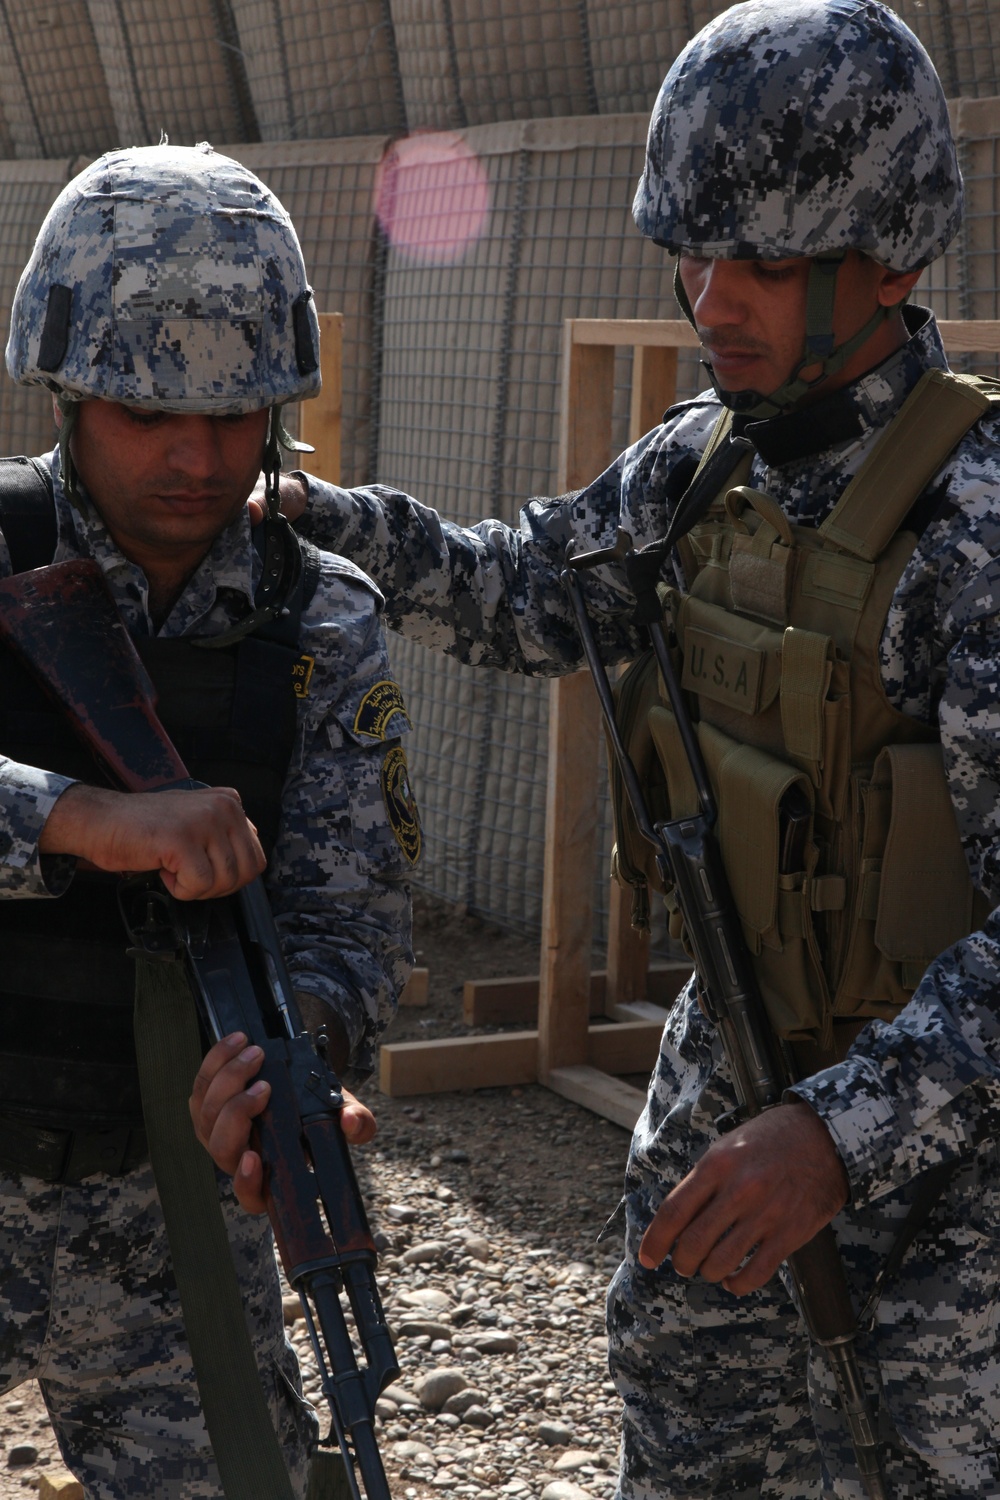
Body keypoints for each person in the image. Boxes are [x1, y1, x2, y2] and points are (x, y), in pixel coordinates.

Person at [196, 1, 1000, 1495]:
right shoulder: (707, 460)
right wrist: (316, 520)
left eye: (758, 261)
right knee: (689, 1430)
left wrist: (838, 1136)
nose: (708, 298)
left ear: (887, 259)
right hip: (737, 1073)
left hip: (950, 1157)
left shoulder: (974, 538)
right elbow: (532, 592)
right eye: (690, 254)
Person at [0, 142, 416, 1498]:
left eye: (236, 416)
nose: (196, 458)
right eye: (146, 412)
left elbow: (348, 916)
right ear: (65, 387)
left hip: (164, 1215)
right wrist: (83, 821)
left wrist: (300, 1058)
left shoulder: (321, 619)